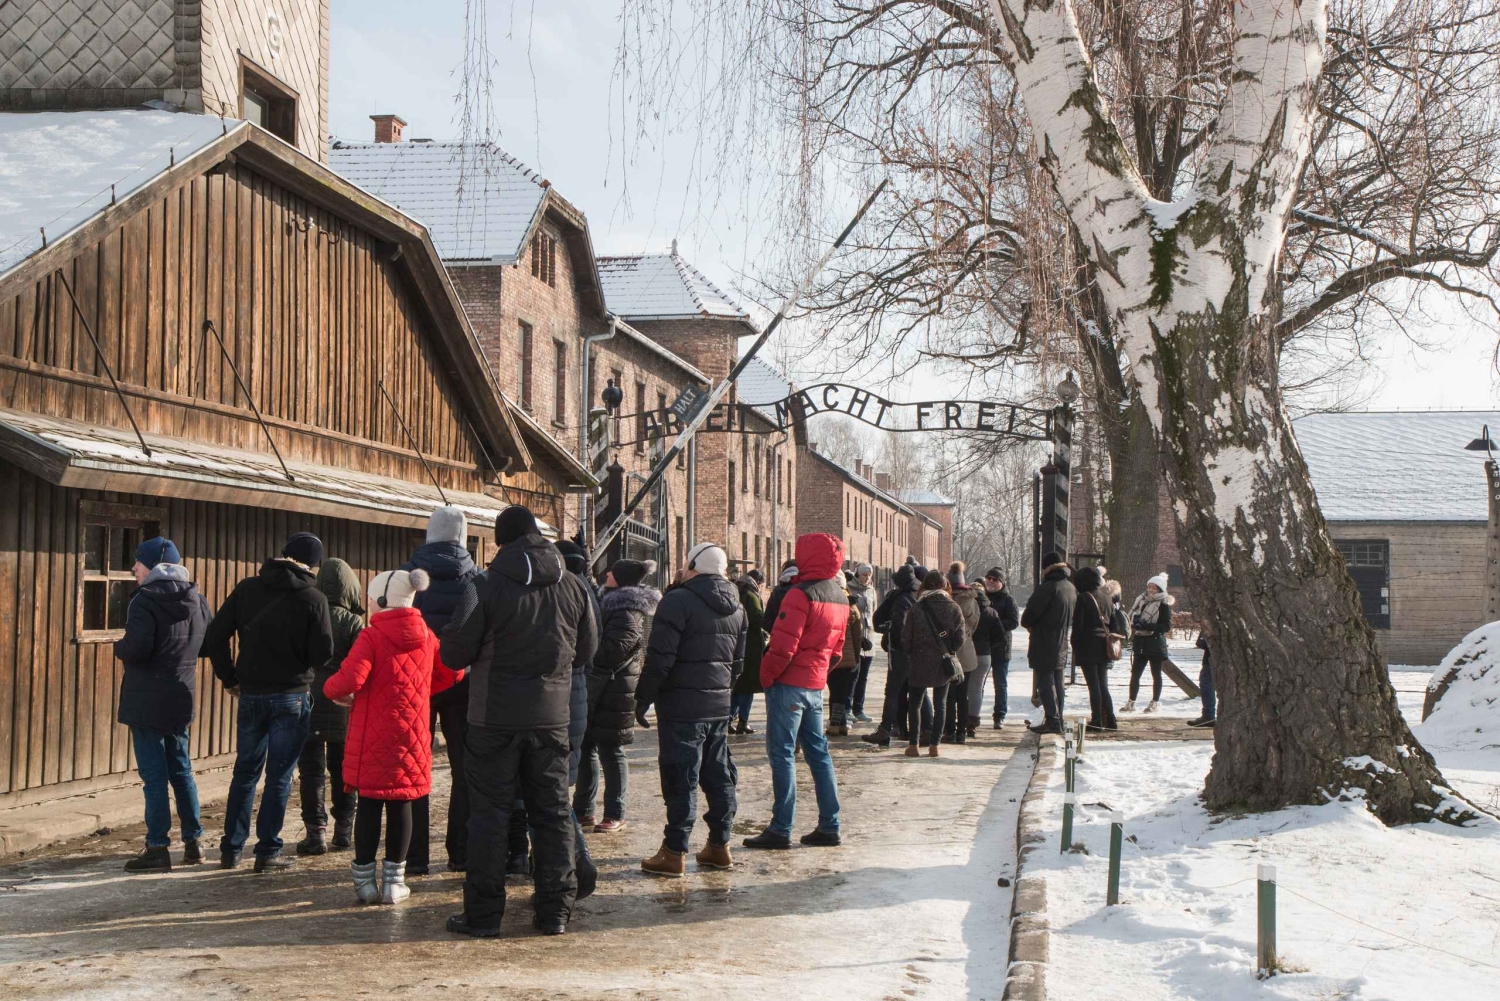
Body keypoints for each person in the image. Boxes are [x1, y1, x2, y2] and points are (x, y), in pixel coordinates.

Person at [441, 505, 598, 938]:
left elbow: (454, 654)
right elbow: (586, 652)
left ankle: (484, 916)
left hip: (492, 721)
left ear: (500, 542)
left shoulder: (484, 586)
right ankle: (554, 913)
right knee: (551, 814)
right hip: (551, 720)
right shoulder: (574, 586)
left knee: (489, 817)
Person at [204, 531, 334, 872]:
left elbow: (215, 635)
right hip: (292, 695)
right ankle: (267, 852)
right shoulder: (313, 598)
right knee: (280, 776)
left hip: (251, 693)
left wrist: (229, 677)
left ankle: (231, 849)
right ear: (313, 564)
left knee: (245, 773)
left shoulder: (248, 588)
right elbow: (323, 654)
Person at [323, 568, 448, 904]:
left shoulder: (371, 636)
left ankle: (364, 882)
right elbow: (451, 673)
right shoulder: (426, 633)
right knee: (402, 802)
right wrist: (420, 691)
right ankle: (395, 884)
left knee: (370, 804)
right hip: (413, 735)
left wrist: (330, 690)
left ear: (381, 601)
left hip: (373, 735)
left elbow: (349, 679)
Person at [636, 542, 747, 875]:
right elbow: (738, 663)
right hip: (718, 705)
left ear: (694, 565)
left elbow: (659, 659)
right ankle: (719, 846)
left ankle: (674, 852)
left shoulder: (677, 601)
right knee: (718, 775)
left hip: (682, 707)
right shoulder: (737, 607)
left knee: (680, 777)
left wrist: (642, 698)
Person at [114, 537, 212, 873]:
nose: (133, 569)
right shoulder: (197, 600)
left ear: (152, 565)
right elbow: (206, 644)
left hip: (147, 700)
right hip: (181, 697)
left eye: (137, 563)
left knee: (154, 777)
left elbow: (137, 648)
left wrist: (120, 647)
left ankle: (157, 847)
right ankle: (194, 842)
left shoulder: (145, 601)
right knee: (182, 771)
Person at [744, 533, 847, 848]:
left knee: (783, 754)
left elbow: (783, 646)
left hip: (789, 683)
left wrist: (765, 676)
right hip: (815, 683)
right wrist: (818, 673)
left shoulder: (799, 594)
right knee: (819, 753)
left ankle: (780, 828)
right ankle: (830, 824)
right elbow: (838, 650)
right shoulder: (840, 596)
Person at [402, 507, 481, 875]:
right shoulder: (475, 578)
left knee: (415, 765)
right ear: (463, 535)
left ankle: (414, 856)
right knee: (464, 769)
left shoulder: (407, 576)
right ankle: (461, 852)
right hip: (461, 680)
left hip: (416, 682)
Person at [577, 558, 660, 832]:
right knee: (587, 746)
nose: (606, 573)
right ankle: (584, 810)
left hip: (615, 692)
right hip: (600, 688)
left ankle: (615, 812)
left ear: (620, 579)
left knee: (612, 751)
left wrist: (583, 648)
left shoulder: (625, 610)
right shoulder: (609, 602)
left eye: (611, 571)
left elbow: (612, 651)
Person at [296, 558, 366, 857]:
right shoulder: (354, 623)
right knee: (344, 768)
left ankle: (316, 833)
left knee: (311, 770)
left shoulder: (307, 611)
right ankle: (344, 830)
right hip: (343, 703)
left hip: (309, 698)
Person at [555, 538, 603, 901]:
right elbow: (590, 649)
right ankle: (574, 856)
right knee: (555, 790)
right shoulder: (589, 593)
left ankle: (575, 859)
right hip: (579, 696)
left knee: (547, 794)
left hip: (557, 698)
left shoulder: (563, 591)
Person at [900, 569, 966, 757]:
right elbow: (961, 637)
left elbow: (905, 637)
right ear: (945, 586)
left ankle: (913, 745)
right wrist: (949, 649)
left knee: (915, 704)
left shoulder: (916, 607)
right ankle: (934, 746)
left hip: (919, 660)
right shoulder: (954, 607)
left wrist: (911, 652)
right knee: (941, 704)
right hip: (942, 660)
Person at [863, 563, 921, 747]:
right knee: (918, 692)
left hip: (901, 652)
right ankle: (924, 730)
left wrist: (892, 639)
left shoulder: (901, 598)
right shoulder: (919, 595)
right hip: (917, 651)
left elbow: (894, 626)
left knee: (894, 692)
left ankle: (886, 730)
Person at [1020, 551, 1075, 736]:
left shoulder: (1048, 588)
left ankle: (1052, 719)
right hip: (1062, 639)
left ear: (1046, 568)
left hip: (1044, 639)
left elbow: (1028, 617)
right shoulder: (1069, 587)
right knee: (1058, 680)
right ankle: (1058, 717)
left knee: (1044, 681)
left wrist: (1030, 624)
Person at [1070, 566, 1125, 732]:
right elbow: (1114, 624)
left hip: (1088, 644)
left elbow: (1078, 626)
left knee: (1093, 685)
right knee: (1102, 684)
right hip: (1104, 644)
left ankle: (1097, 720)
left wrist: (1075, 645)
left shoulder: (1083, 598)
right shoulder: (1107, 598)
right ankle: (1111, 719)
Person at [942, 562, 981, 744]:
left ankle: (949, 731)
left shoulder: (947, 602)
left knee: (949, 695)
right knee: (963, 695)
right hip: (967, 652)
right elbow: (974, 625)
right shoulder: (972, 601)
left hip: (948, 652)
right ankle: (962, 731)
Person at [1124, 573, 1175, 713]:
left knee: (1156, 674)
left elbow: (1166, 626)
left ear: (1160, 589)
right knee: (1135, 673)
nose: (1151, 590)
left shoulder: (1164, 604)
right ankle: (1131, 702)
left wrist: (1148, 626)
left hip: (1155, 644)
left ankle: (1154, 702)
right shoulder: (1142, 600)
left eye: (1154, 588)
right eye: (1149, 587)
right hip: (1140, 642)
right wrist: (1135, 624)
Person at [981, 569, 1020, 729]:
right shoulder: (980, 597)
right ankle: (973, 715)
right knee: (978, 684)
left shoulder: (1008, 600)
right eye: (988, 578)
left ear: (1001, 583)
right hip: (983, 647)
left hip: (1001, 647)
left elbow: (1014, 621)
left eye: (994, 579)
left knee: (1000, 684)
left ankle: (999, 715)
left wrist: (996, 625)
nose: (990, 581)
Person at [730, 569, 766, 734]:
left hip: (735, 644)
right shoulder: (751, 597)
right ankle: (743, 721)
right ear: (757, 582)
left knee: (736, 686)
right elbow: (758, 619)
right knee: (747, 687)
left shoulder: (736, 592)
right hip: (750, 646)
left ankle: (729, 719)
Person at [825, 582, 864, 737]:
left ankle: (835, 723)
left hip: (831, 656)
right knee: (842, 692)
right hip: (847, 658)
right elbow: (857, 637)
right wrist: (856, 657)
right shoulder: (852, 609)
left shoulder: (828, 607)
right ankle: (839, 724)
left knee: (834, 691)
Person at [964, 583, 1001, 738]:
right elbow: (1000, 635)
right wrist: (988, 644)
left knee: (962, 688)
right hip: (984, 654)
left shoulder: (965, 609)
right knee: (976, 688)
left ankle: (959, 721)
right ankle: (972, 723)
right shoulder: (991, 612)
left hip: (966, 652)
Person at [846, 564, 876, 723]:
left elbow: (873, 611)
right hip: (855, 638)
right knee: (853, 675)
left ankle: (859, 709)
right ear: (858, 575)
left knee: (863, 676)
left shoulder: (871, 590)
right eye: (864, 574)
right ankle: (847, 709)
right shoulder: (849, 588)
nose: (867, 577)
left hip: (869, 637)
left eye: (869, 575)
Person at [1190, 629, 1216, 728]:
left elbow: (1201, 643)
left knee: (1206, 683)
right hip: (1212, 658)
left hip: (1211, 658)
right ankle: (1208, 714)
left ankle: (1208, 714)